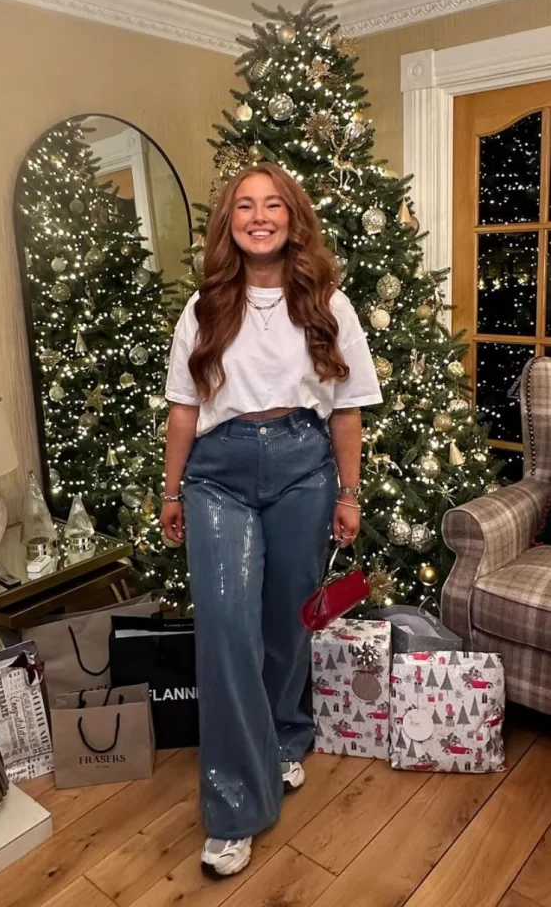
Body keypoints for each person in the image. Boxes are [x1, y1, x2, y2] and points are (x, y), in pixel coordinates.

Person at [161, 163, 381, 877]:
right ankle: (235, 810)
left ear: (292, 218)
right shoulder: (203, 307)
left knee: (288, 620)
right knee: (227, 629)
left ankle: (287, 736)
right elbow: (184, 410)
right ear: (230, 221)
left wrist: (349, 494)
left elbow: (345, 408)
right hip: (217, 475)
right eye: (245, 206)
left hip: (301, 468)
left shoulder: (329, 305)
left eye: (273, 205)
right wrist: (171, 492)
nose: (259, 216)